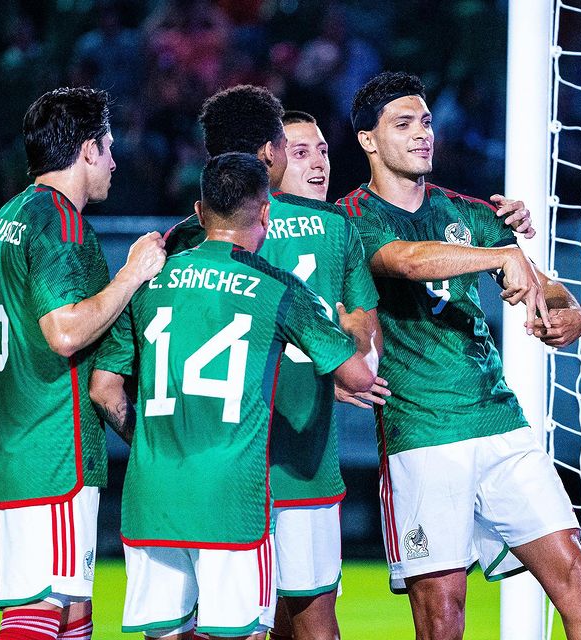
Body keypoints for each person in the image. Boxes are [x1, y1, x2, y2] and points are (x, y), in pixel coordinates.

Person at [337, 70, 581, 640]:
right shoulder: (351, 218)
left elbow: (546, 286)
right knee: (443, 618)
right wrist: (497, 256)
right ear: (367, 140)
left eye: (426, 122)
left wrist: (566, 315)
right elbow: (405, 260)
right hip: (423, 435)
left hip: (502, 425)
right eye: (403, 124)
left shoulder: (469, 212)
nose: (421, 134)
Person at [88, 152, 378, 640]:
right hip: (234, 498)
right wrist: (346, 326)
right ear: (265, 212)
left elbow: (103, 389)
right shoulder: (277, 288)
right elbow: (358, 377)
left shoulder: (146, 282)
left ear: (200, 214)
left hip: (151, 494)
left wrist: (147, 441)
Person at [162, 87, 383, 640]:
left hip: (210, 462)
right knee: (313, 618)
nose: (308, 160)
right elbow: (364, 345)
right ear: (270, 151)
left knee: (217, 622)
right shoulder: (335, 228)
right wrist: (334, 358)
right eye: (294, 146)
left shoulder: (190, 238)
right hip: (303, 460)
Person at [0, 87, 166, 640]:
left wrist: (19, 388)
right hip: (53, 454)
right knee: (42, 615)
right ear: (85, 150)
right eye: (108, 146)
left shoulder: (5, 220)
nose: (115, 159)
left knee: (72, 618)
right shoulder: (59, 221)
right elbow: (66, 331)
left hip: (12, 451)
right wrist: (133, 273)